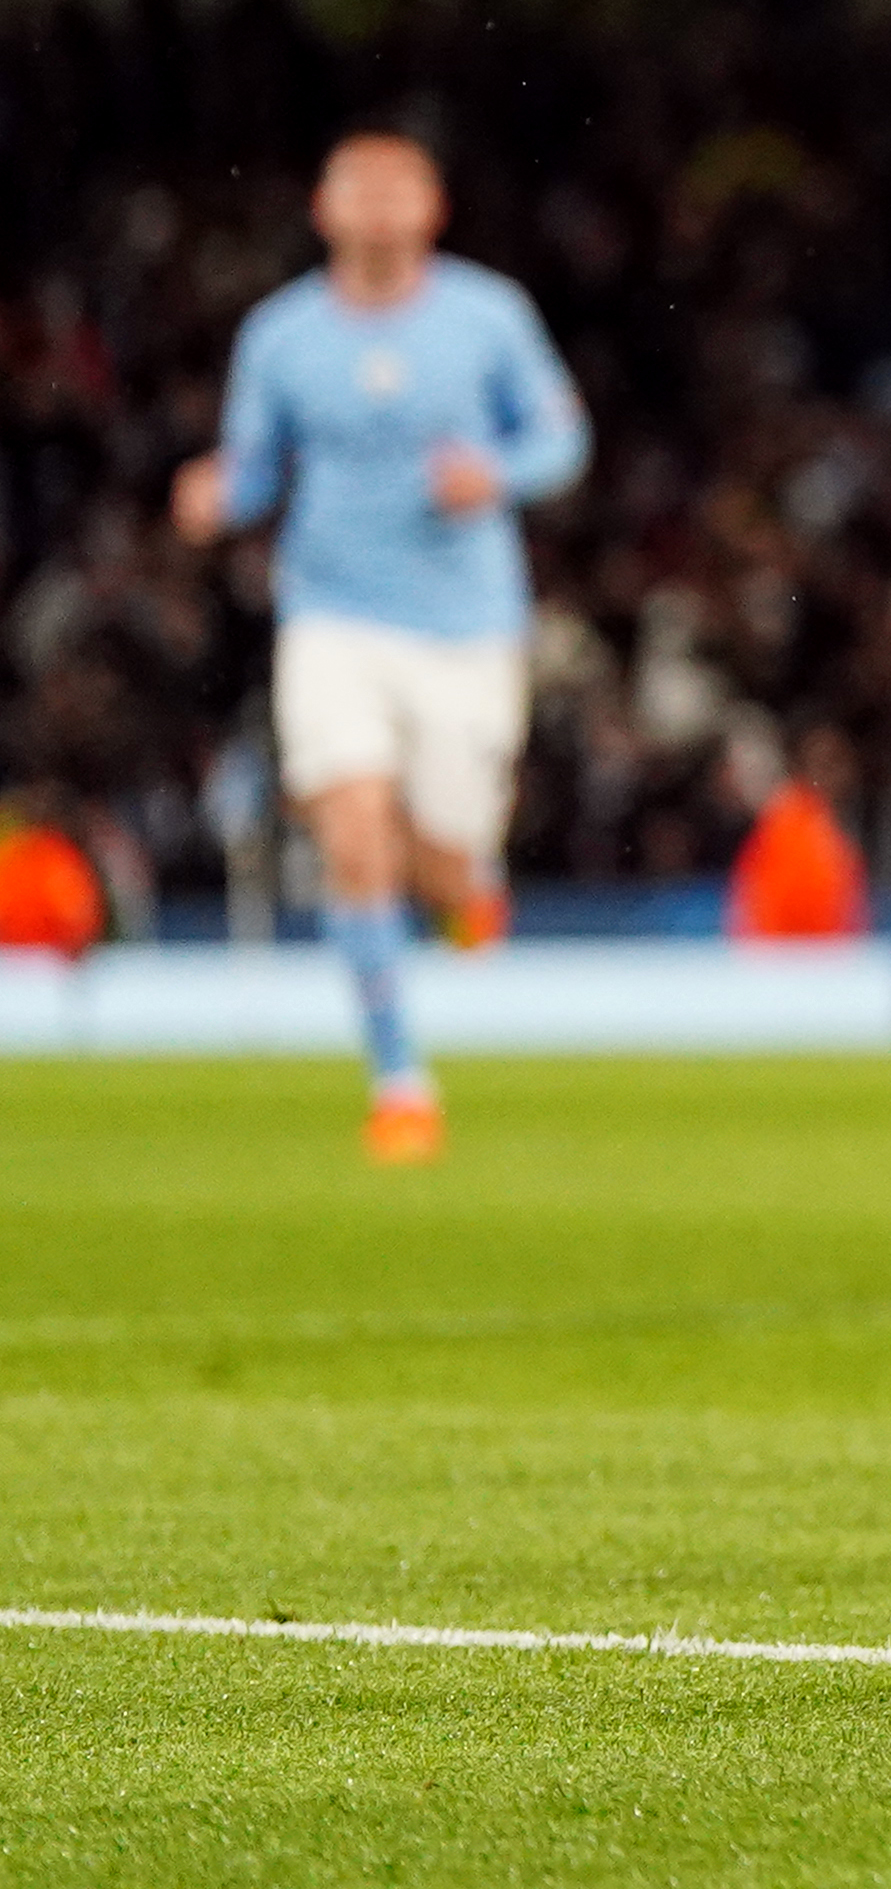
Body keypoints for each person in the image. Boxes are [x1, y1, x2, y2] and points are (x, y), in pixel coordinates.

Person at [172, 130, 588, 1163]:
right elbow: (258, 467)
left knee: (444, 863)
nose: (376, 205)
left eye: (396, 187)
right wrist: (219, 492)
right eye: (355, 187)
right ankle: (399, 1077)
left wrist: (497, 474)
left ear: (432, 208)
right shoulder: (282, 334)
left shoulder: (488, 316)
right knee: (352, 831)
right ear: (323, 209)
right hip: (332, 614)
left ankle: (461, 888)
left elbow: (561, 439)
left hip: (467, 626)